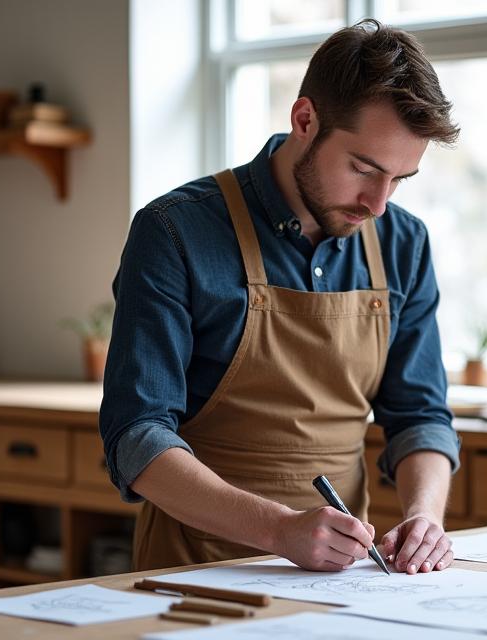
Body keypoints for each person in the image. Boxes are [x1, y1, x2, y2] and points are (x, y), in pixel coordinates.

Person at [100, 18, 461, 576]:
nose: (378, 204)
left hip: (345, 582)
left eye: (399, 180)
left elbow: (420, 416)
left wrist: (425, 518)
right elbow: (136, 436)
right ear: (304, 119)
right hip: (195, 574)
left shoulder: (402, 242)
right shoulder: (175, 231)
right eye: (363, 169)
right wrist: (278, 530)